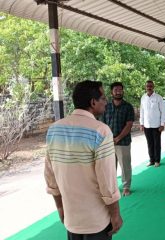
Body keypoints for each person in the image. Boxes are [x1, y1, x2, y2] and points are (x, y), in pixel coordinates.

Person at [45, 80, 123, 240]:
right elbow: (107, 181)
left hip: (71, 219)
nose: (106, 102)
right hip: (97, 221)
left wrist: (60, 207)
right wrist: (115, 214)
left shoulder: (54, 129)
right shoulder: (100, 131)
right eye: (103, 98)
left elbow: (50, 176)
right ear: (93, 102)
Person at [101, 82, 135, 196]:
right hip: (108, 142)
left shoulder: (128, 107)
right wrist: (108, 138)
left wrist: (118, 138)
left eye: (120, 89)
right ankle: (112, 187)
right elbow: (102, 124)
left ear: (123, 91)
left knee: (125, 165)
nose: (118, 92)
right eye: (116, 90)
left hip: (123, 142)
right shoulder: (106, 106)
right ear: (111, 92)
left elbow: (129, 124)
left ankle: (126, 187)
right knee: (110, 166)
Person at [140, 80, 165, 167]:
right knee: (149, 143)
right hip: (147, 125)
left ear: (153, 87)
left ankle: (157, 160)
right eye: (148, 86)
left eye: (151, 86)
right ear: (145, 87)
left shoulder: (158, 97)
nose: (149, 87)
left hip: (157, 125)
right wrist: (141, 123)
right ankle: (151, 160)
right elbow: (142, 111)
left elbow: (163, 111)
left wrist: (162, 124)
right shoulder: (143, 97)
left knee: (156, 144)